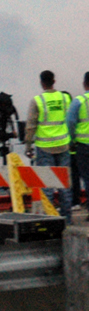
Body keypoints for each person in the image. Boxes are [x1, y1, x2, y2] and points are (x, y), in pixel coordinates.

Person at [25, 70, 72, 222]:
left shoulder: (37, 100)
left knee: (47, 186)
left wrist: (28, 145)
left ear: (42, 82)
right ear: (54, 81)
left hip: (44, 147)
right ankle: (67, 218)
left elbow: (31, 125)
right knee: (64, 184)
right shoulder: (65, 98)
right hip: (63, 145)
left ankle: (51, 220)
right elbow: (69, 119)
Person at [68, 72, 89, 210]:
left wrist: (72, 140)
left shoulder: (79, 101)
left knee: (87, 177)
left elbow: (70, 121)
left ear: (84, 83)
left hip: (84, 146)